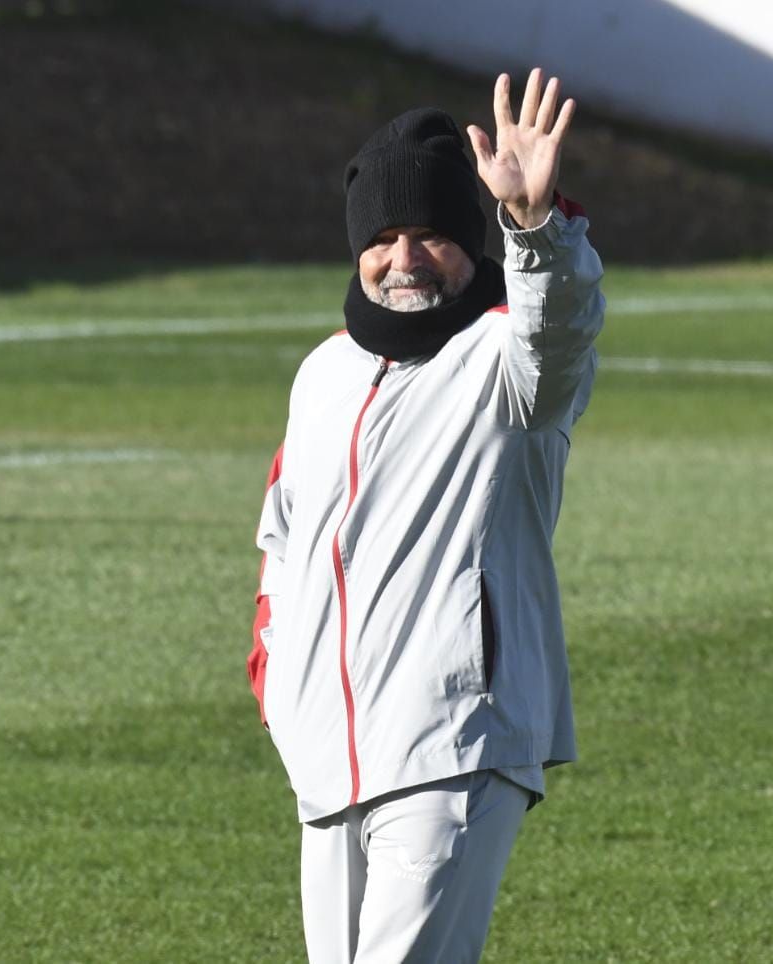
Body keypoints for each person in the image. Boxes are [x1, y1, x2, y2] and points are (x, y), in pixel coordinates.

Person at [246, 69, 604, 962]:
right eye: (386, 237)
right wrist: (279, 682)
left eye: (434, 235)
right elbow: (284, 538)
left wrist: (535, 226)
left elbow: (556, 325)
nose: (404, 260)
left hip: (454, 745)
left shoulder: (507, 360)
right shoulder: (323, 372)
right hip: (328, 756)